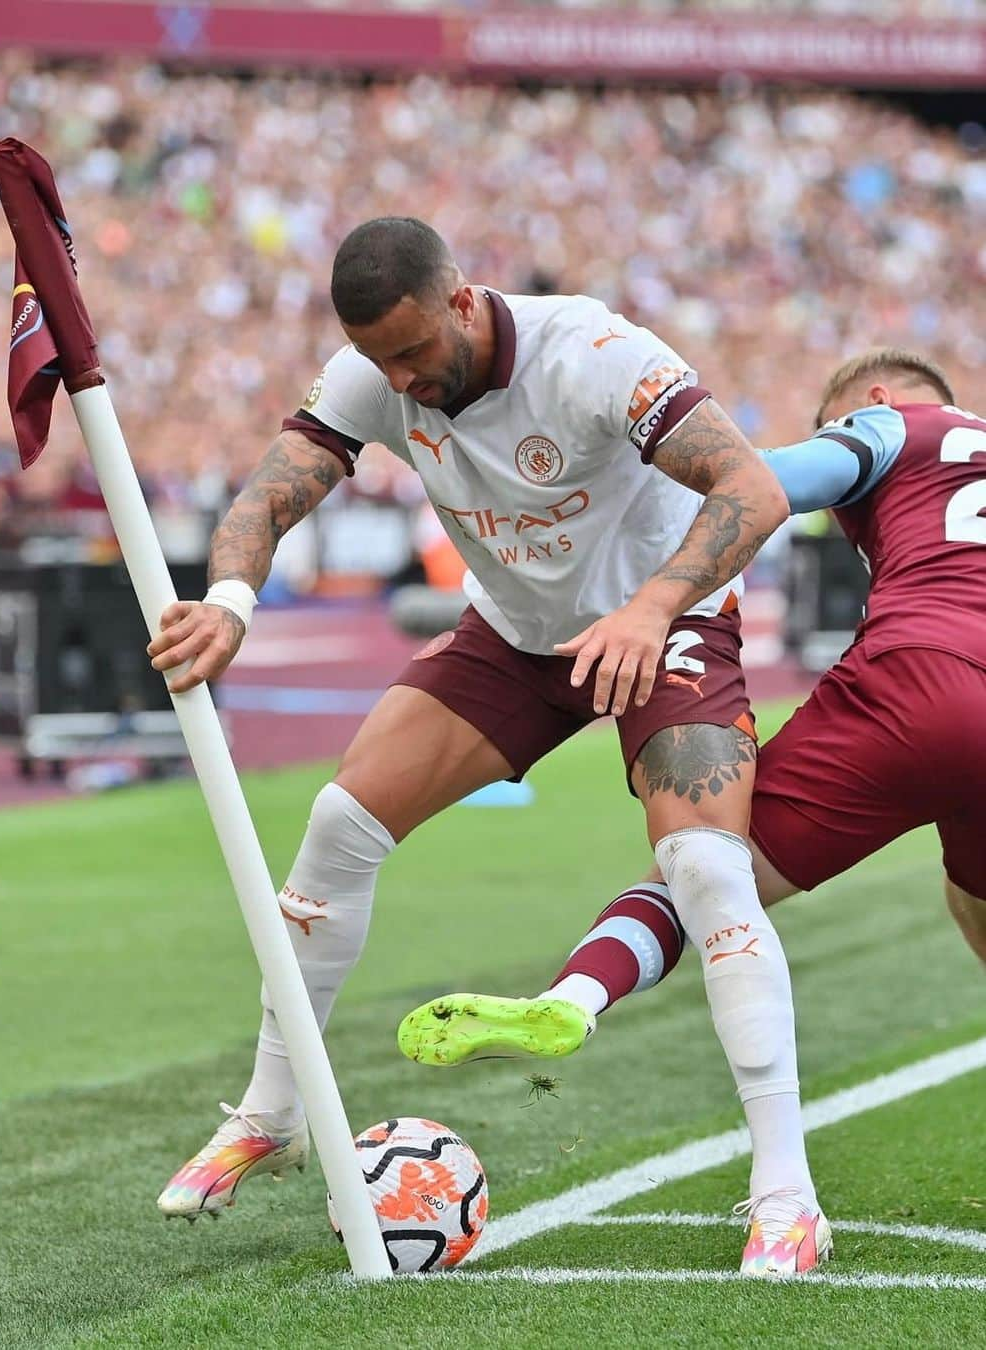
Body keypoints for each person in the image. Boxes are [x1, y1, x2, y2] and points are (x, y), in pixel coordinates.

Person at [146, 217, 825, 1275]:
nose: (404, 382)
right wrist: (230, 600)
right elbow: (270, 493)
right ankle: (271, 1114)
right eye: (382, 361)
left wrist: (650, 610)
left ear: (463, 301)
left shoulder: (595, 354)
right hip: (516, 639)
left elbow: (755, 488)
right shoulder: (373, 376)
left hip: (663, 622)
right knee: (338, 828)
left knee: (703, 866)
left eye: (416, 352)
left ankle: (786, 1194)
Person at [402, 347, 986, 1268]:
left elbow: (758, 485)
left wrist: (654, 589)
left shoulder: (886, 427)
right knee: (973, 891)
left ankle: (576, 995)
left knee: (706, 870)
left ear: (872, 400)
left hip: (919, 686)